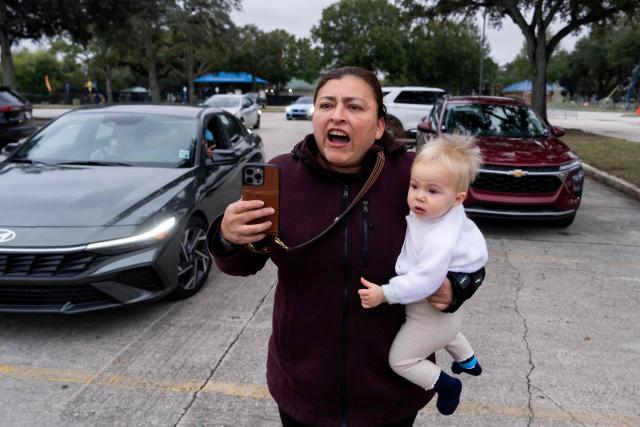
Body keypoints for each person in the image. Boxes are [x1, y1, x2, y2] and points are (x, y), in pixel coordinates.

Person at [206, 66, 485, 426]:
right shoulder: (283, 176)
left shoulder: (415, 178)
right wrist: (227, 236)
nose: (338, 115)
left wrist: (458, 287)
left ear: (379, 125)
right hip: (302, 388)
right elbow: (242, 264)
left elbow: (468, 249)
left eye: (354, 107)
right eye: (326, 105)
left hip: (389, 393)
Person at [358, 134, 488, 416]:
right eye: (414, 186)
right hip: (448, 320)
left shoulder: (441, 237)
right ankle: (468, 361)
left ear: (458, 199)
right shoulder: (445, 212)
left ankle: (445, 385)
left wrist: (385, 294)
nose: (419, 196)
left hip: (430, 314)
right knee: (449, 332)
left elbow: (427, 281)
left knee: (402, 360)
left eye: (432, 191)